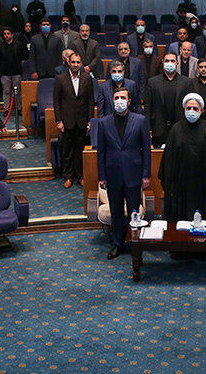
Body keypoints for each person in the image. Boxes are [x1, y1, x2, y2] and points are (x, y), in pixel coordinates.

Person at [96, 87, 152, 259]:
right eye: (116, 97)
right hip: (113, 174)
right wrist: (102, 176)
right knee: (117, 211)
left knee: (134, 212)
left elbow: (146, 150)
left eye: (123, 98)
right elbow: (101, 153)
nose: (119, 100)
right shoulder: (104, 122)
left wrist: (146, 174)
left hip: (134, 173)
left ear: (128, 101)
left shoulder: (140, 120)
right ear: (113, 101)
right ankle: (118, 244)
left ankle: (135, 243)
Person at [158, 93, 206, 223]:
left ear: (201, 110)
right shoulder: (176, 129)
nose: (191, 112)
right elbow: (169, 160)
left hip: (203, 186)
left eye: (195, 108)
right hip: (180, 185)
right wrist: (169, 184)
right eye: (188, 108)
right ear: (184, 110)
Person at [53, 51, 94, 187]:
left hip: (82, 120)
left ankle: (80, 176)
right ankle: (68, 177)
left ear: (81, 63)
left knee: (80, 149)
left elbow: (90, 101)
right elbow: (56, 102)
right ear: (68, 63)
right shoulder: (60, 78)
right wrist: (58, 120)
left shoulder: (87, 78)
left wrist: (90, 120)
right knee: (67, 150)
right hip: (66, 120)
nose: (75, 65)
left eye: (78, 62)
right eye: (73, 62)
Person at [144, 52, 191, 148]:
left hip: (181, 128)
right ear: (163, 63)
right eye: (167, 61)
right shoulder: (152, 82)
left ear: (177, 63)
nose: (170, 63)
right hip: (159, 129)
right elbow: (148, 107)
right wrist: (147, 128)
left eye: (172, 61)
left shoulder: (187, 82)